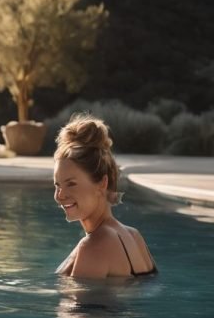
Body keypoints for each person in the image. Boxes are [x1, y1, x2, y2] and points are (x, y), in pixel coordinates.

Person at [53, 113, 157, 278]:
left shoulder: (93, 247)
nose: (60, 196)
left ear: (102, 183)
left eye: (71, 184)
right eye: (57, 185)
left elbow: (76, 304)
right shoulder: (133, 236)